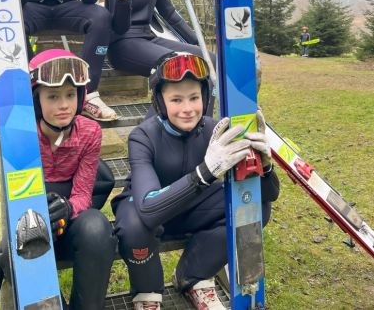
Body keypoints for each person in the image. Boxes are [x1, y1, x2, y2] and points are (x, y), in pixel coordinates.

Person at [112, 52, 280, 310]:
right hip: (145, 209)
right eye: (176, 99)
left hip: (191, 206)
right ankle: (147, 293)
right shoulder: (142, 136)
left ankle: (193, 277)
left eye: (194, 97)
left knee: (253, 207)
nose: (188, 109)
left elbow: (269, 196)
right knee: (135, 224)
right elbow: (147, 209)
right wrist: (206, 171)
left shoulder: (216, 129)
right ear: (160, 101)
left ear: (204, 96)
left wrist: (265, 167)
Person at [0, 49, 116, 310]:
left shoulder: (90, 132)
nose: (63, 105)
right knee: (15, 244)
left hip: (69, 221)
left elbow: (82, 193)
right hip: (30, 222)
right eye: (53, 96)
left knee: (98, 227)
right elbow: (18, 200)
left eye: (70, 95)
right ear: (36, 100)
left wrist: (68, 208)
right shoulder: (21, 135)